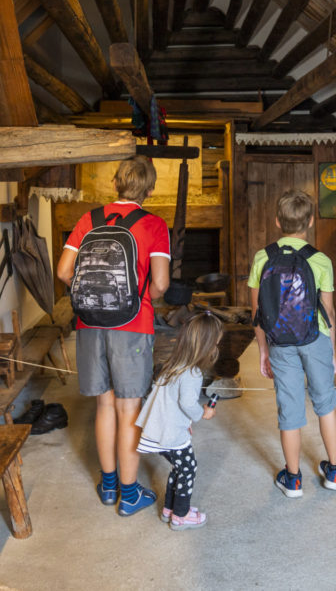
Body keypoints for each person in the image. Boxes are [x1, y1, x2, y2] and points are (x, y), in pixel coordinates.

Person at [56, 155, 170, 516]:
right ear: (150, 189)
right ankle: (129, 493)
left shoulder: (88, 220)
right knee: (128, 408)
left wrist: (94, 298)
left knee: (104, 405)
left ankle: (108, 486)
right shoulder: (154, 225)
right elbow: (162, 283)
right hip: (132, 325)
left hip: (90, 324)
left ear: (116, 183)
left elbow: (63, 272)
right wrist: (140, 295)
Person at [249, 189, 336, 496]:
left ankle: (293, 479)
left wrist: (264, 350)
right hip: (315, 338)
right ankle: (334, 470)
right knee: (325, 403)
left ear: (278, 221)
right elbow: (328, 311)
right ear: (311, 221)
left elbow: (257, 312)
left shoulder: (262, 257)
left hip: (279, 341)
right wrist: (331, 352)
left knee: (289, 408)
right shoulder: (321, 261)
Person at [135, 312, 222, 530]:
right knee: (189, 469)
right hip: (170, 434)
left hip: (163, 428)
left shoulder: (175, 364)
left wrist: (186, 423)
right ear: (206, 346)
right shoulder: (192, 373)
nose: (215, 349)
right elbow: (187, 403)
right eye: (215, 344)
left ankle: (169, 509)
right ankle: (181, 516)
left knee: (179, 468)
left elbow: (171, 403)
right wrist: (203, 413)